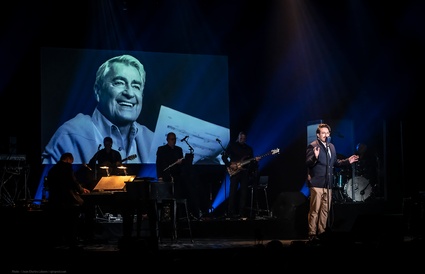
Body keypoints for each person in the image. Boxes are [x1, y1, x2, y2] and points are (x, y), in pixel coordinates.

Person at [41, 54, 154, 165]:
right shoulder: (69, 136)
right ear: (97, 91)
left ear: (142, 95)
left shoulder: (152, 140)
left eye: (136, 86)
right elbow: (49, 180)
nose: (129, 93)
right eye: (119, 83)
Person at [305, 123, 359, 242]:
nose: (325, 135)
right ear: (318, 135)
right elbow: (308, 163)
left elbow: (336, 162)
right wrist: (315, 157)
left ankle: (322, 232)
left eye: (327, 133)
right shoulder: (313, 146)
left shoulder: (331, 147)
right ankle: (312, 234)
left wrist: (347, 161)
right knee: (315, 210)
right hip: (317, 183)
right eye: (323, 133)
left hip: (328, 184)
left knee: (325, 210)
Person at [45, 152, 90, 249]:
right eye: (71, 162)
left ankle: (60, 241)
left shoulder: (52, 169)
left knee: (60, 222)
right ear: (69, 159)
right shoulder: (67, 168)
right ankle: (74, 241)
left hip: (55, 201)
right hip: (68, 200)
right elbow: (73, 182)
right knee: (74, 220)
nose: (71, 164)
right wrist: (81, 190)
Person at [222, 131, 259, 219]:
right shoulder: (232, 146)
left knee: (244, 193)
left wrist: (255, 160)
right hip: (234, 172)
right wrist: (229, 164)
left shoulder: (249, 149)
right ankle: (231, 212)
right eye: (241, 138)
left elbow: (251, 161)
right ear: (238, 138)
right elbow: (224, 156)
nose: (242, 140)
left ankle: (242, 213)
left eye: (244, 138)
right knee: (233, 192)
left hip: (244, 172)